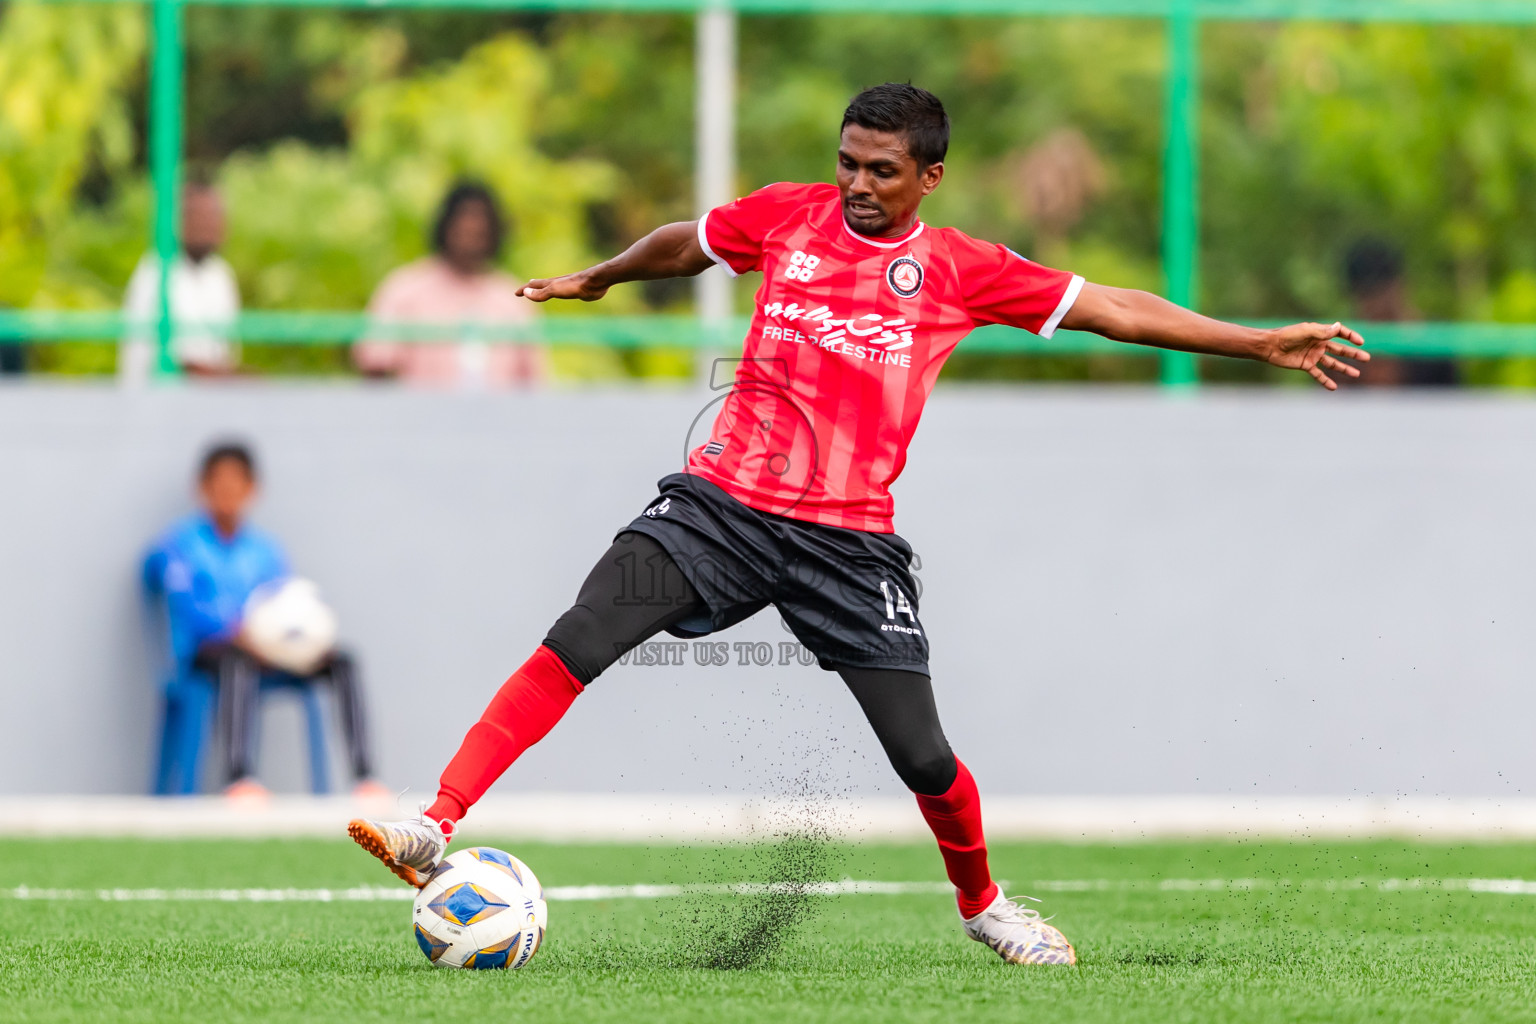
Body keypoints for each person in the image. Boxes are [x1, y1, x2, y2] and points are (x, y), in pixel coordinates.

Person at [347, 84, 1368, 966]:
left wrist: (1254, 341)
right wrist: (605, 274)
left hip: (846, 542)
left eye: (881, 169)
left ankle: (985, 907)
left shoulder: (963, 269)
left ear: (930, 177)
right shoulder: (786, 218)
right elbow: (691, 241)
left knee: (924, 758)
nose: (858, 184)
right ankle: (434, 822)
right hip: (722, 508)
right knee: (584, 629)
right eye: (848, 163)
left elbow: (1117, 308)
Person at [144, 441, 388, 801]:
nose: (228, 492)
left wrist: (300, 636)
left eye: (236, 483)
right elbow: (184, 605)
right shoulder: (179, 544)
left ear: (252, 489)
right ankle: (240, 777)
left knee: (342, 661)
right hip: (209, 653)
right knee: (236, 662)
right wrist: (238, 632)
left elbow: (285, 602)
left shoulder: (266, 549)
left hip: (267, 649)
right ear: (203, 488)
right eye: (219, 483)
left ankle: (364, 776)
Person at [354, 181, 545, 388]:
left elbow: (533, 382)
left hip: (495, 417)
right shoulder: (405, 289)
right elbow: (374, 363)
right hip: (421, 416)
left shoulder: (513, 298)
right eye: (464, 223)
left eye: (480, 228)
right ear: (446, 226)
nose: (471, 230)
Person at [121, 182, 241, 382]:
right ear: (179, 221)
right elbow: (186, 367)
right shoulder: (157, 272)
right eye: (199, 216)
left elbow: (223, 359)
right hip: (157, 404)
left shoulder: (221, 275)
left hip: (207, 403)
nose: (208, 225)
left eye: (214, 215)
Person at [1341, 238, 1457, 387]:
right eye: (1366, 295)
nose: (1375, 306)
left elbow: (1453, 403)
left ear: (1399, 285)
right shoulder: (1343, 355)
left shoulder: (1434, 348)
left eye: (1379, 292)